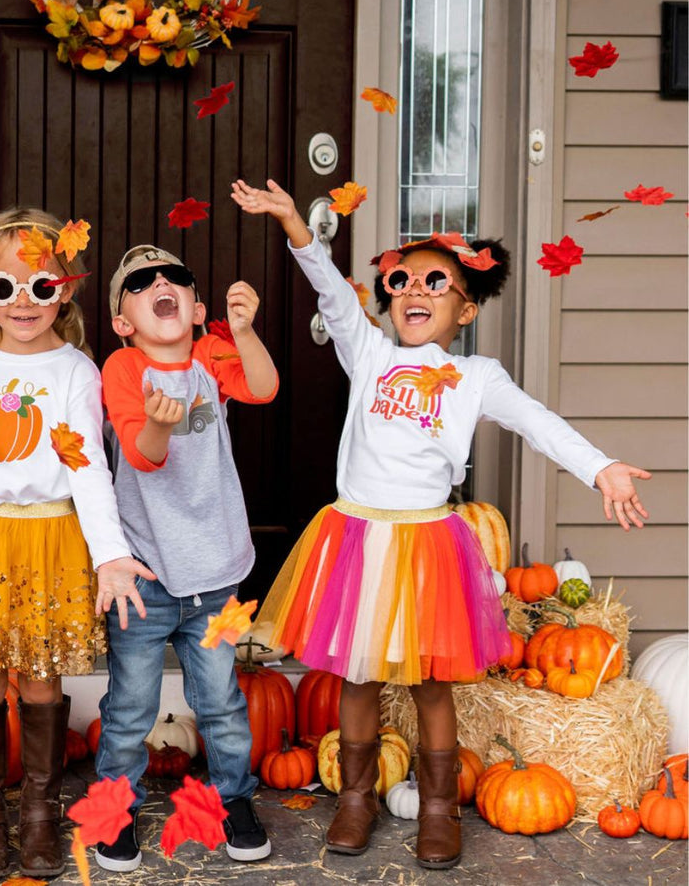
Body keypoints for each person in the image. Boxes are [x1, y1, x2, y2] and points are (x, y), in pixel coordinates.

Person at [230, 179, 651, 869]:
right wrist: (293, 224)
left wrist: (599, 466)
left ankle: (437, 807)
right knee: (359, 676)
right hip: (358, 537)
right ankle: (356, 799)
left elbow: (538, 423)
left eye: (436, 282)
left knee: (431, 682)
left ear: (466, 307)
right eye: (401, 280)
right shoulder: (368, 353)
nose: (414, 291)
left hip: (427, 541)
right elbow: (331, 292)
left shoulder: (476, 376)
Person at [0, 208, 153, 880]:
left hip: (52, 537)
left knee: (43, 680)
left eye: (42, 286)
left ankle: (41, 814)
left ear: (65, 291)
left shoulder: (75, 370)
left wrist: (109, 553)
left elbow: (87, 466)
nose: (24, 302)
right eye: (6, 287)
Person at [93, 244, 279, 871]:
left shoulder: (211, 355)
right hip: (144, 579)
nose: (160, 284)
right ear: (123, 322)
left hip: (217, 575)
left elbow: (264, 388)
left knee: (221, 702)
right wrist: (158, 423)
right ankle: (115, 809)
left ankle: (234, 799)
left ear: (197, 309)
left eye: (174, 278)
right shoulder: (123, 368)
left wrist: (245, 332)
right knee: (130, 708)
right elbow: (143, 456)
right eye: (142, 282)